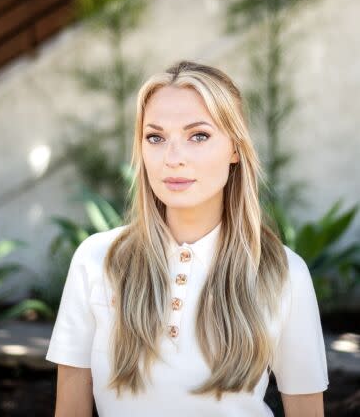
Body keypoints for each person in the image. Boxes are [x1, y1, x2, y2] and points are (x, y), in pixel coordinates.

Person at [46, 60, 329, 416]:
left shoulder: (284, 272)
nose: (173, 158)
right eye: (156, 137)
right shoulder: (97, 260)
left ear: (235, 149)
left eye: (198, 135)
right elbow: (69, 409)